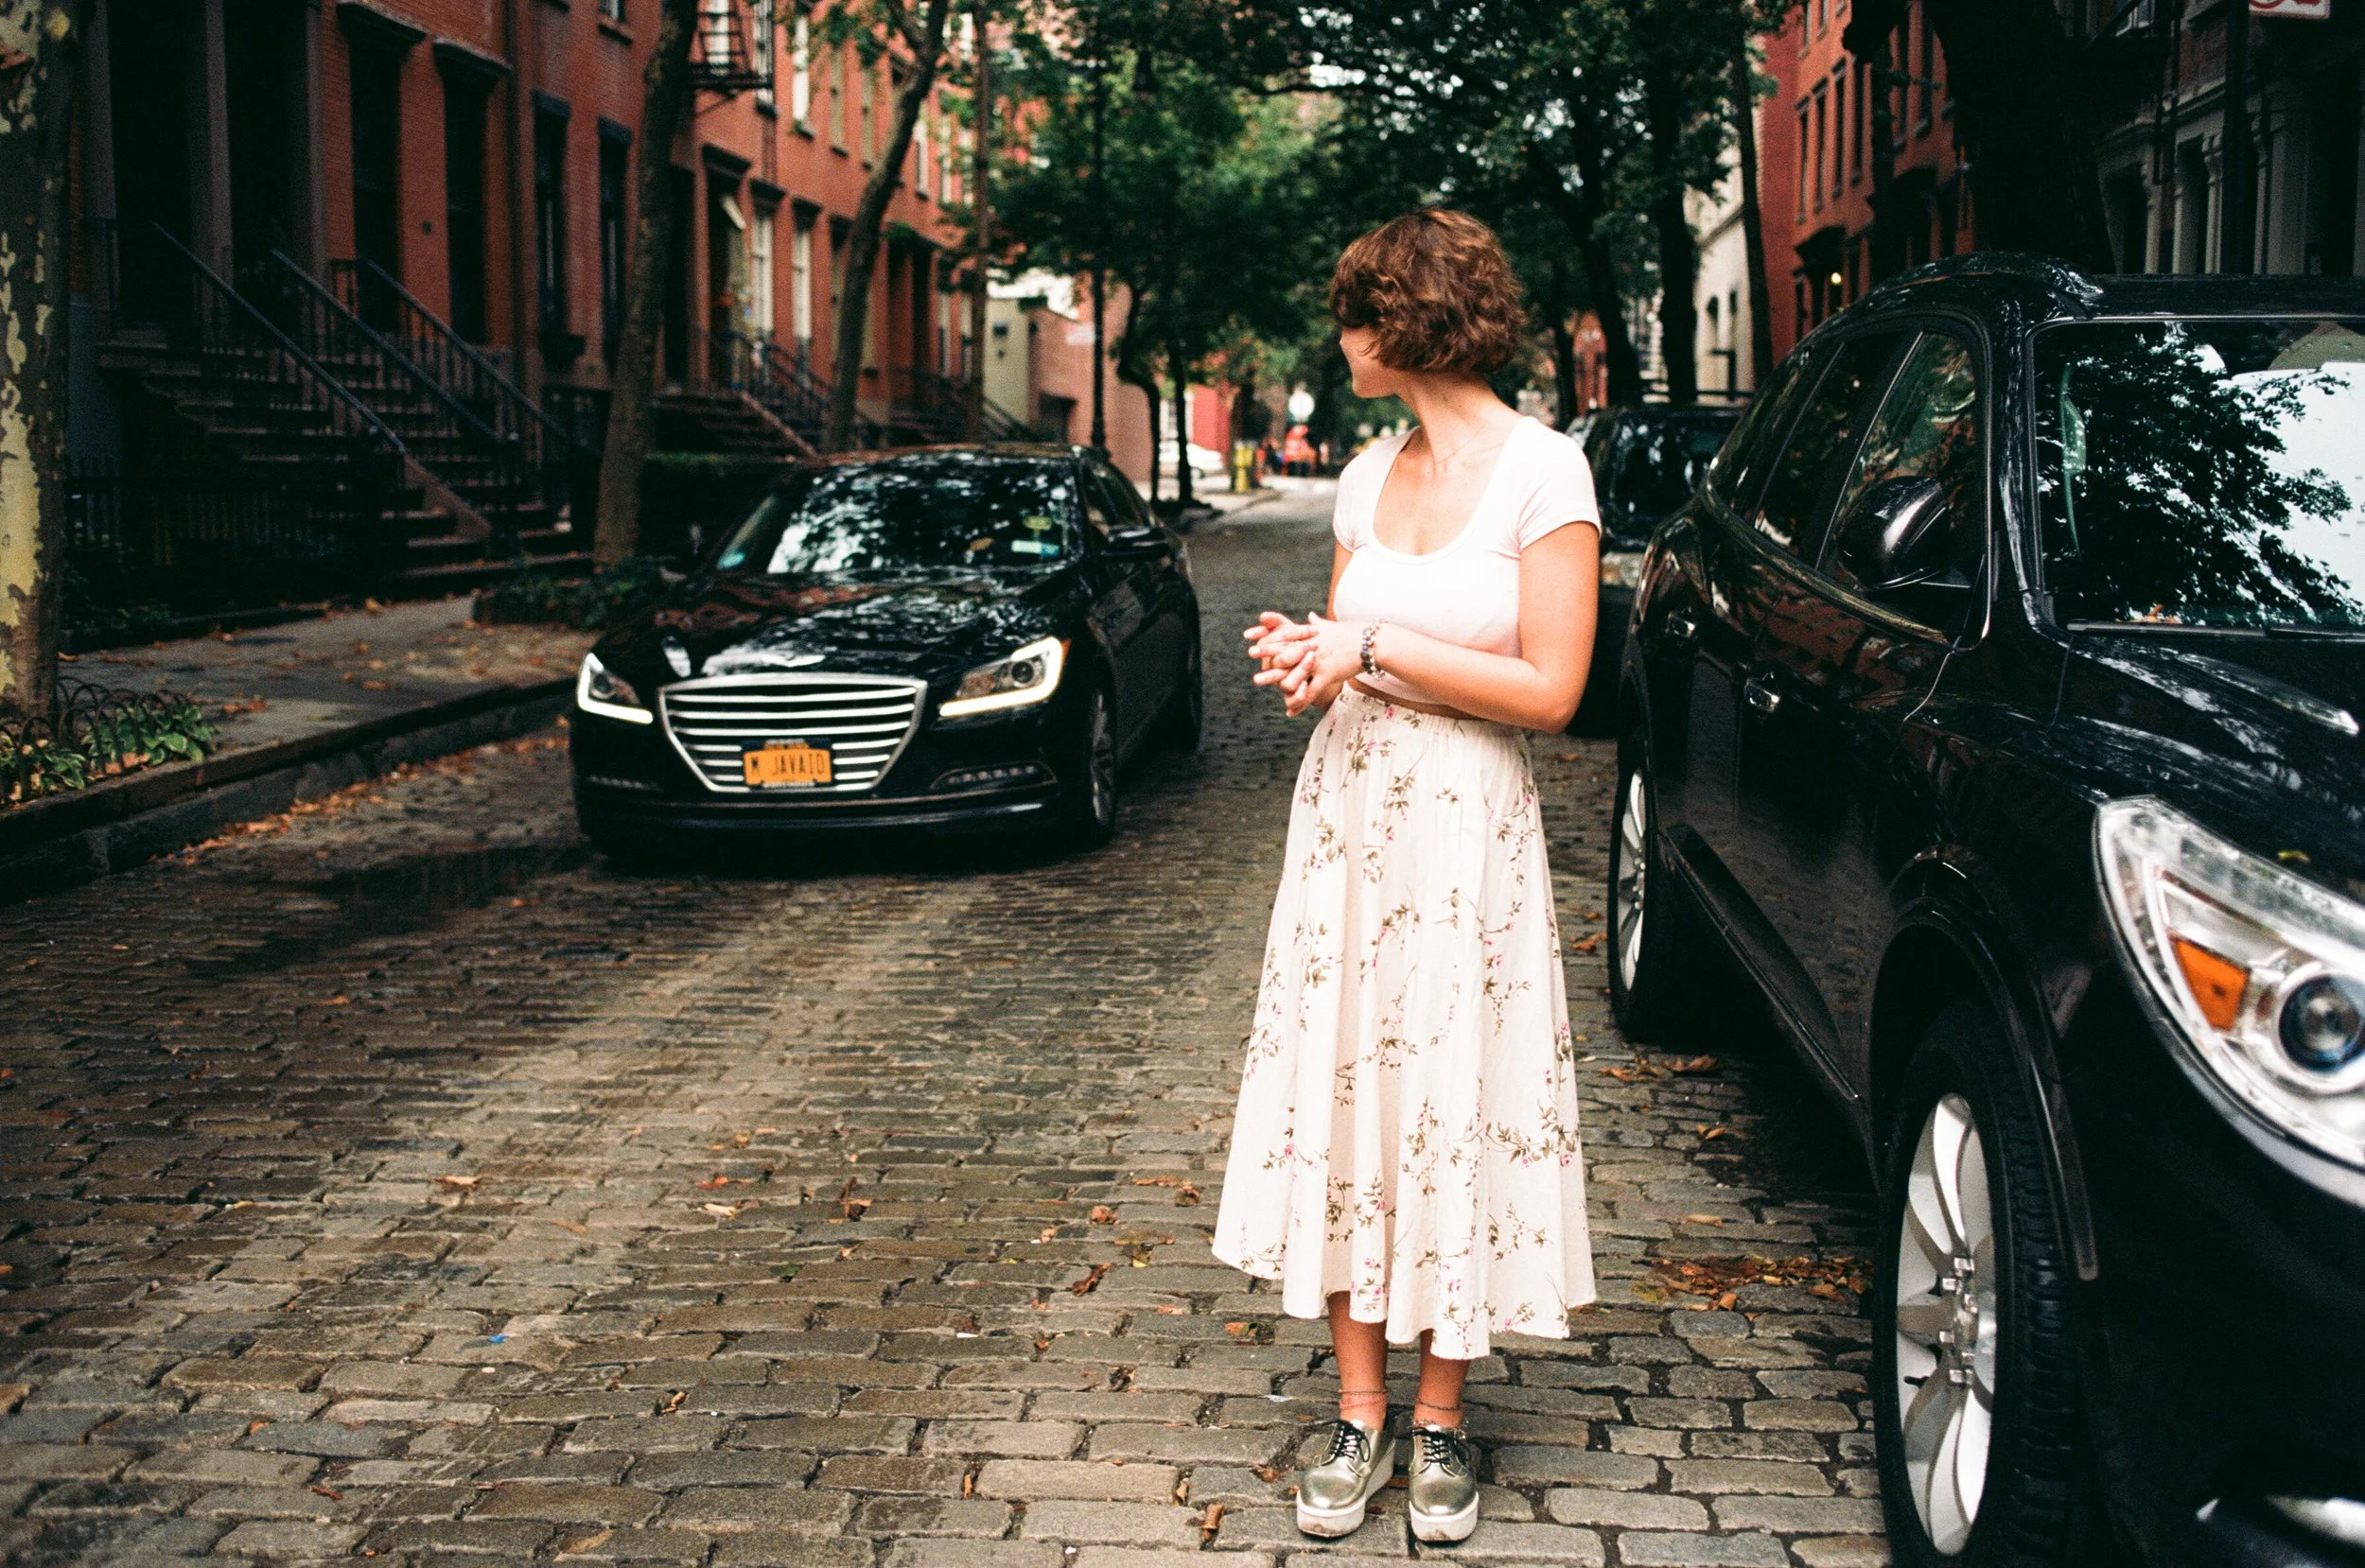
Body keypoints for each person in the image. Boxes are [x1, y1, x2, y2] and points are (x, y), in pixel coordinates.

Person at [1212, 207, 1602, 1545]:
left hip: (1465, 830)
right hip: (1353, 819)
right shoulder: (1367, 474)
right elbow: (1348, 644)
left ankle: (1441, 1418)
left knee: (1451, 1094)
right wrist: (1310, 657)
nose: (1343, 337)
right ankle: (1359, 1406)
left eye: (1356, 313)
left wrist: (1368, 642)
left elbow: (1553, 688)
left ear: (1411, 320)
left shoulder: (1548, 476)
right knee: (1352, 1094)